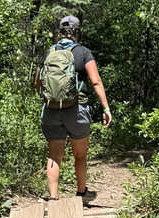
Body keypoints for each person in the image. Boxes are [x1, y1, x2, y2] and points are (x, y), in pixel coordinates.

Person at [35, 15, 111, 201]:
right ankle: (81, 193)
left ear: (60, 31)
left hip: (51, 110)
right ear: (77, 32)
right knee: (80, 155)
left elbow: (37, 82)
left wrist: (47, 99)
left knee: (54, 155)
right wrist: (106, 108)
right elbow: (96, 81)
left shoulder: (49, 52)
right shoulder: (83, 52)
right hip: (77, 110)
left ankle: (53, 198)